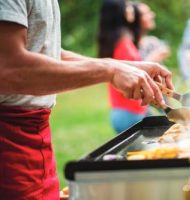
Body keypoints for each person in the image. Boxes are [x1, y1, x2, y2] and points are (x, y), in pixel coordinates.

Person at [0, 0, 173, 199]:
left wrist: (122, 67)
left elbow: (48, 53)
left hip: (37, 140)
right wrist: (110, 70)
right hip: (8, 142)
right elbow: (7, 68)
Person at [98, 0, 169, 133]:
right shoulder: (123, 44)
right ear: (119, 12)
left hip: (126, 111)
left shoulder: (118, 41)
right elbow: (130, 77)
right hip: (129, 113)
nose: (131, 10)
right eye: (127, 7)